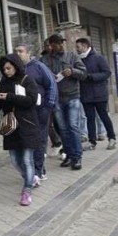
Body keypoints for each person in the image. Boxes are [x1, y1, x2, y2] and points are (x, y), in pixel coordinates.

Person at [0, 54, 40, 206]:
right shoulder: (3, 82)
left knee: (26, 159)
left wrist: (8, 96)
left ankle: (27, 191)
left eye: (9, 68)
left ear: (16, 66)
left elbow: (31, 100)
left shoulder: (27, 80)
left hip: (27, 125)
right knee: (15, 161)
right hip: (10, 127)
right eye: (4, 69)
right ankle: (30, 178)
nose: (6, 71)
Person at [40, 34, 87, 170]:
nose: (60, 46)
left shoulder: (72, 56)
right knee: (63, 129)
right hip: (56, 99)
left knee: (73, 126)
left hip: (72, 96)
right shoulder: (45, 60)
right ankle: (69, 155)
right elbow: (40, 78)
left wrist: (72, 71)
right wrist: (49, 77)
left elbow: (84, 73)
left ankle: (77, 157)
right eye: (57, 44)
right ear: (51, 45)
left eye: (62, 43)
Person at [15, 44, 57, 182]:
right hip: (24, 112)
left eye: (21, 51)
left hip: (40, 110)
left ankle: (37, 172)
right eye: (16, 52)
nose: (18, 54)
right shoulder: (16, 70)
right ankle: (38, 169)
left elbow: (51, 85)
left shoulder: (39, 67)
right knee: (28, 141)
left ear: (28, 53)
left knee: (39, 140)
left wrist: (48, 106)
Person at [76, 38, 117, 150]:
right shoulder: (79, 60)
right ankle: (92, 142)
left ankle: (112, 138)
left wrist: (92, 77)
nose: (77, 49)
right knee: (90, 118)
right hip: (86, 94)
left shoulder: (98, 58)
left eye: (78, 47)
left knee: (104, 116)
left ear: (85, 46)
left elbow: (107, 73)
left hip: (99, 94)